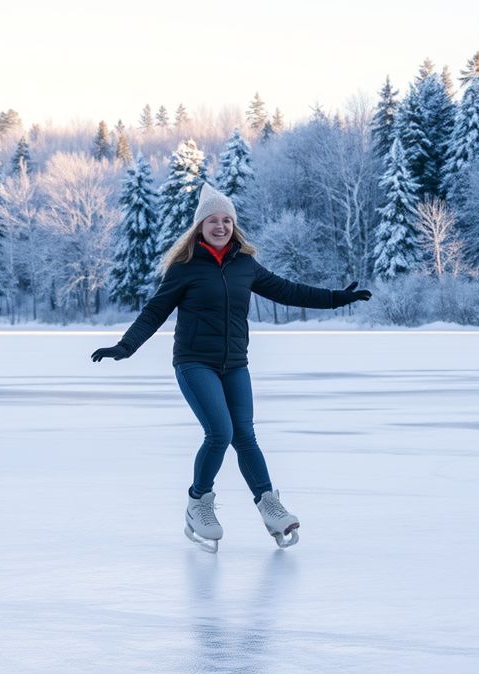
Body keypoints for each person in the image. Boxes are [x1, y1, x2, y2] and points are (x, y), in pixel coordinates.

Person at [91, 183, 372, 551]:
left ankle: (269, 505)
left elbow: (290, 292)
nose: (220, 226)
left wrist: (338, 299)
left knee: (245, 435)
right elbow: (154, 312)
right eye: (212, 220)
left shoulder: (245, 265)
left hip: (235, 365)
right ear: (199, 227)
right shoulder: (185, 268)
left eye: (226, 220)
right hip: (194, 363)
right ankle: (198, 504)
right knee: (219, 432)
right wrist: (125, 347)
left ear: (233, 225)